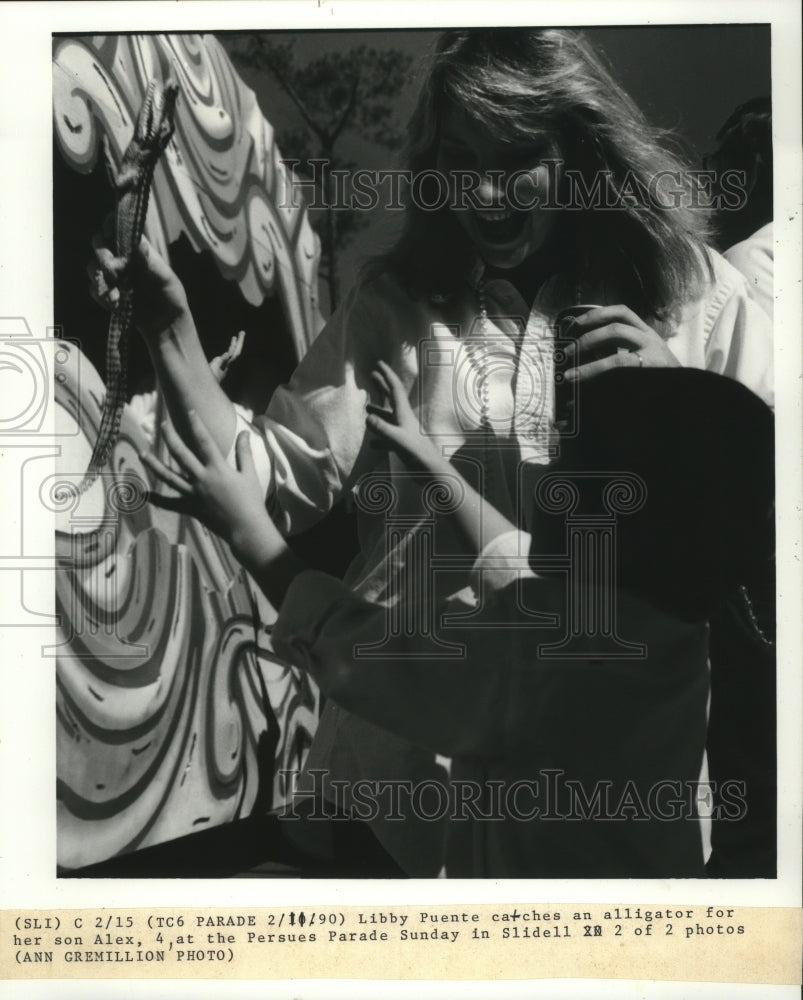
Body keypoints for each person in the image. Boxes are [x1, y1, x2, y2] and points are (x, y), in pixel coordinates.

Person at [90, 29, 774, 874]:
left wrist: (674, 391)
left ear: (579, 148)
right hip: (385, 805)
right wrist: (171, 330)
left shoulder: (697, 297)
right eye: (458, 158)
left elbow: (758, 519)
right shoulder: (393, 309)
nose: (482, 191)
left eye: (516, 155)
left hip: (595, 834)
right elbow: (264, 476)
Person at [142, 364, 775, 877]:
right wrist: (431, 462)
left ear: (617, 529)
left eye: (567, 470)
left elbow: (366, 654)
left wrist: (247, 527)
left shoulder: (536, 660)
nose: (545, 483)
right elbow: (516, 556)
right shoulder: (663, 632)